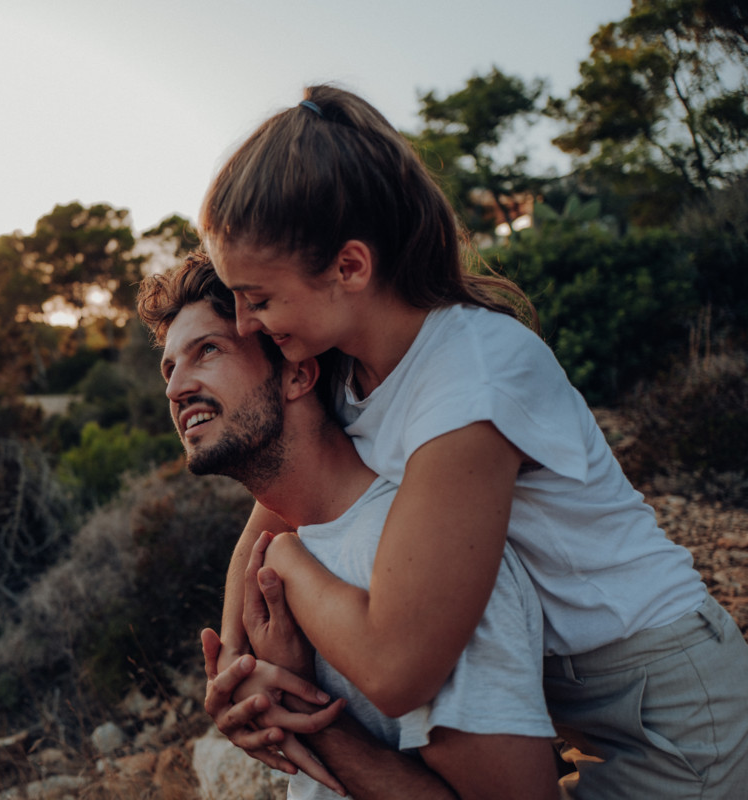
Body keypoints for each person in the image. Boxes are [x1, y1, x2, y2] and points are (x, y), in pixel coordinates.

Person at [198, 84, 748, 798]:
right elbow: (267, 528)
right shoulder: (342, 372)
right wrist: (238, 682)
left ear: (351, 268)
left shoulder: (472, 375)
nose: (243, 324)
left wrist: (295, 565)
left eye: (259, 298)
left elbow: (399, 669)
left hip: (675, 719)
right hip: (578, 711)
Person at [137, 253, 559, 800]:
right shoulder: (294, 551)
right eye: (169, 369)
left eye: (207, 351)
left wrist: (302, 708)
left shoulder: (419, 556)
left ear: (298, 373)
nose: (175, 390)